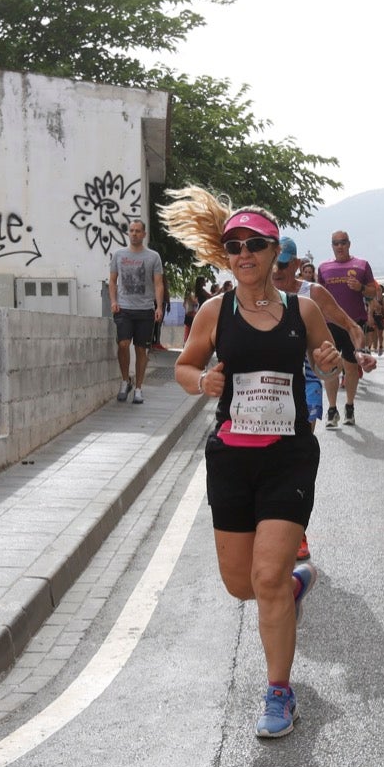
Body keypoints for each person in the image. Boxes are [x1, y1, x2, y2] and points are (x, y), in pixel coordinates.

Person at [160, 188, 343, 738]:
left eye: (256, 245)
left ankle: (278, 692)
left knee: (266, 577)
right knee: (242, 585)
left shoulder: (302, 309)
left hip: (289, 456)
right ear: (225, 254)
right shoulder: (214, 313)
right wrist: (202, 381)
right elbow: (185, 368)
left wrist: (329, 362)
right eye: (234, 245)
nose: (245, 253)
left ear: (273, 253)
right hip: (231, 461)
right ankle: (293, 587)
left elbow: (324, 363)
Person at [272, 235, 378, 561]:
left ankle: (298, 532)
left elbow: (346, 324)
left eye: (284, 264)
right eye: (274, 263)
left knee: (297, 458)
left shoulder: (311, 293)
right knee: (271, 463)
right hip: (268, 391)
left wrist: (357, 352)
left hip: (306, 384)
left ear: (294, 264)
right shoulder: (255, 293)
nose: (277, 271)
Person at [315, 230, 377, 428]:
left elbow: (373, 291)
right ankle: (332, 410)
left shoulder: (361, 265)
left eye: (343, 242)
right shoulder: (324, 267)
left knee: (351, 367)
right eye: (335, 243)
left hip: (353, 324)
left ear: (349, 244)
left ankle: (349, 406)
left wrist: (360, 287)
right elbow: (318, 295)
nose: (339, 246)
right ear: (331, 246)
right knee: (330, 367)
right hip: (329, 324)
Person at [108, 218, 165, 405]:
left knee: (142, 350)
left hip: (145, 310)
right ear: (128, 233)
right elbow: (112, 281)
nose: (134, 234)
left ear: (144, 234)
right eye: (131, 231)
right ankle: (125, 381)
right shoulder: (118, 255)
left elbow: (158, 284)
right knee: (123, 344)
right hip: (124, 308)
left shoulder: (153, 257)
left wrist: (159, 307)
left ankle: (139, 388)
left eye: (138, 231)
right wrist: (114, 301)